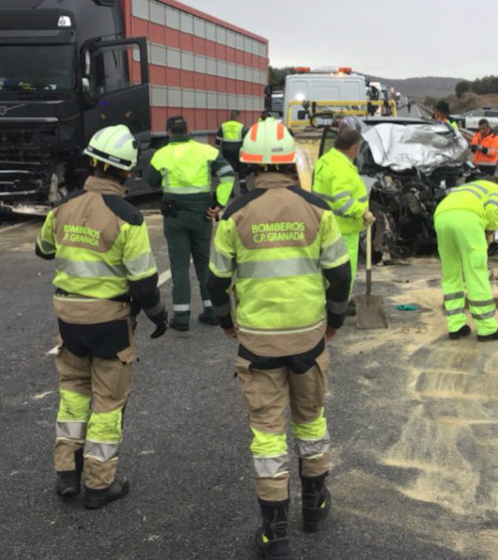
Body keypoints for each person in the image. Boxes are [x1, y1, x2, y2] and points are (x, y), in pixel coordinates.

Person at [207, 117, 352, 558]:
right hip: (309, 339)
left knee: (268, 434)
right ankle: (315, 505)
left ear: (249, 165)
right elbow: (340, 274)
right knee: (310, 421)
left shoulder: (234, 214)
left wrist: (226, 322)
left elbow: (216, 281)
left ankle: (275, 531)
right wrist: (334, 321)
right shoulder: (318, 209)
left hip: (258, 343)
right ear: (291, 161)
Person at [36, 124, 168, 509]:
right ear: (127, 171)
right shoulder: (128, 216)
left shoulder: (62, 206)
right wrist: (159, 316)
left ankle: (66, 474)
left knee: (73, 394)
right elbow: (144, 282)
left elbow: (43, 249)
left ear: (91, 162)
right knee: (108, 404)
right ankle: (98, 485)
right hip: (110, 321)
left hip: (69, 319)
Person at [142, 115, 235, 330]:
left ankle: (181, 317)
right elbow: (228, 174)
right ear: (189, 130)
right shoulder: (206, 151)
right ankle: (211, 311)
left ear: (168, 133)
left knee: (180, 266)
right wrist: (218, 202)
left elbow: (149, 180)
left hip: (175, 217)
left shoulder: (162, 154)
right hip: (203, 214)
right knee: (203, 262)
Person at [433, 178, 498, 342]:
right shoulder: (497, 189)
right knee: (476, 272)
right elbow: (493, 210)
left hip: (441, 217)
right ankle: (487, 329)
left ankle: (456, 327)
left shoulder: (465, 188)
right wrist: (490, 230)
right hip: (467, 220)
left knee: (450, 272)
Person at [312, 127, 374, 317]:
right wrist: (363, 212)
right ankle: (340, 304)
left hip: (326, 223)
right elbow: (343, 201)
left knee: (327, 266)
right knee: (345, 269)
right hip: (344, 228)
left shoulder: (326, 160)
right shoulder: (341, 168)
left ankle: (326, 300)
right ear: (353, 148)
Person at [218, 109, 246, 182]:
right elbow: (245, 140)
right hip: (238, 150)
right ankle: (243, 187)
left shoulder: (224, 125)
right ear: (238, 116)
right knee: (241, 168)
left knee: (229, 168)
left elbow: (218, 139)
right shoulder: (241, 126)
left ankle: (230, 189)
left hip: (226, 149)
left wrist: (218, 149)